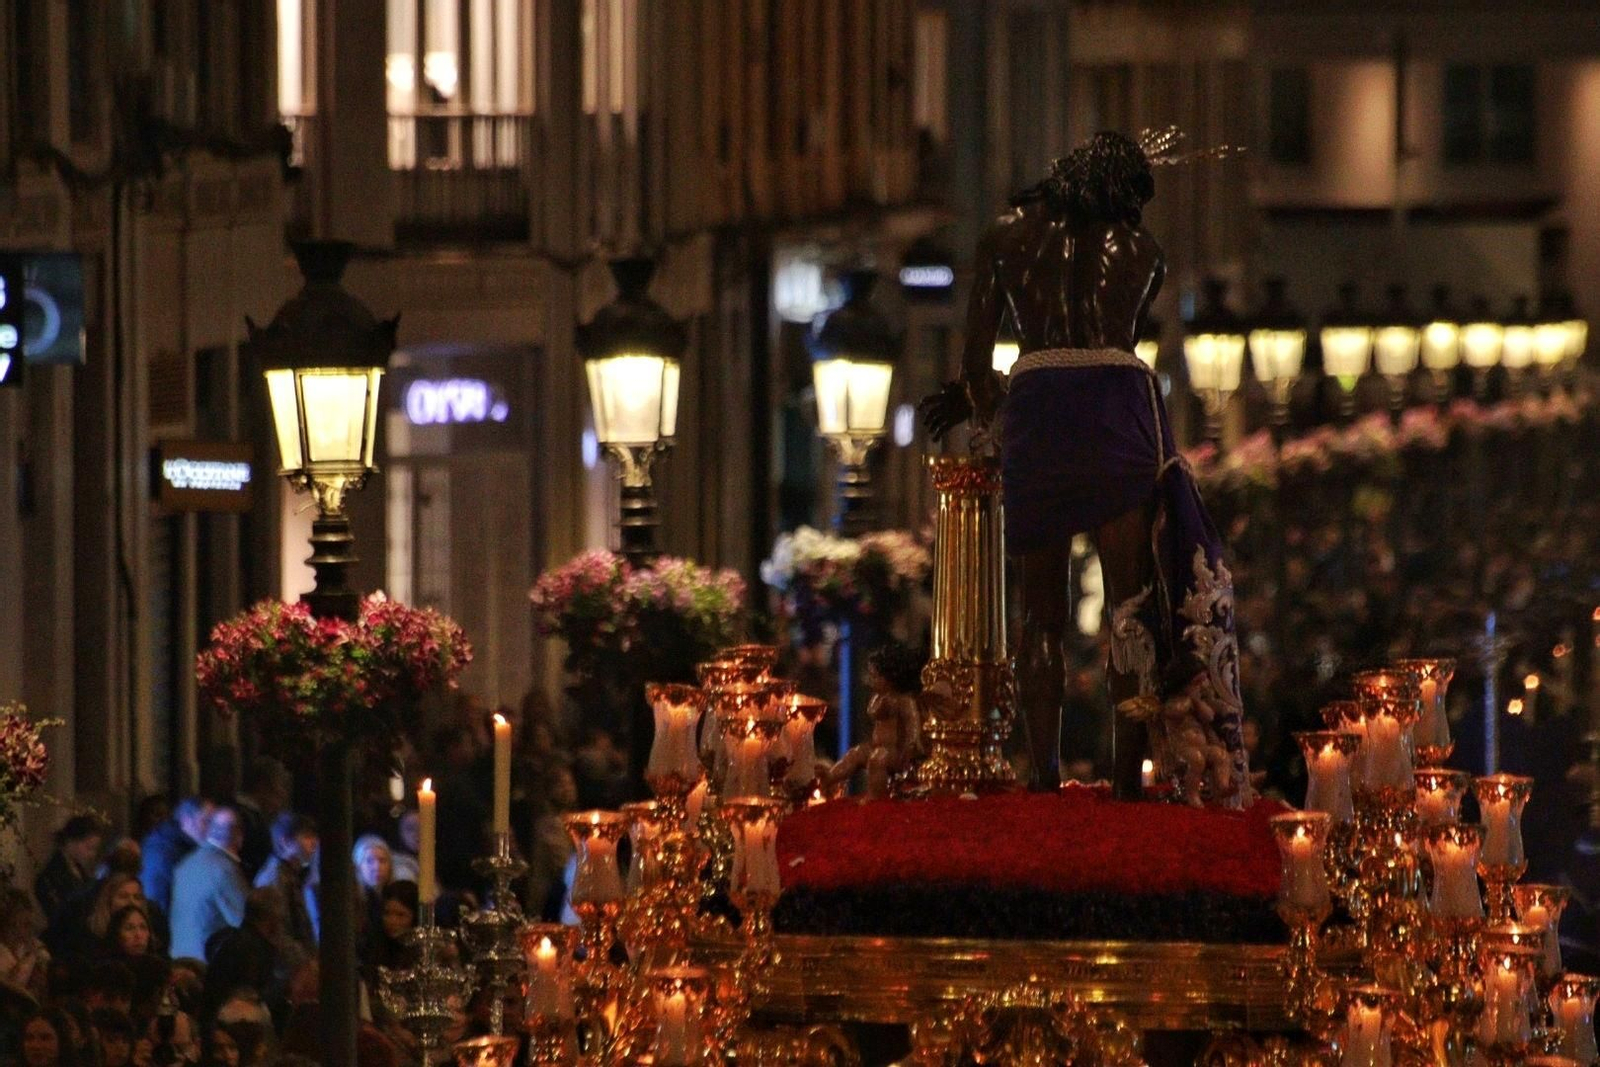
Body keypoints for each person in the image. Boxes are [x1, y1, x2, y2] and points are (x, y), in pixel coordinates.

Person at [921, 129, 1248, 806]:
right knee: (1129, 612)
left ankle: (1041, 776)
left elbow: (977, 368)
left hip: (1038, 414)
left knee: (1040, 615)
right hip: (1115, 411)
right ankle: (1127, 783)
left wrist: (990, 419)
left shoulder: (1005, 239)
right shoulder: (1142, 252)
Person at [825, 644, 926, 799]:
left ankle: (876, 796)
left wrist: (911, 745)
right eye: (870, 675)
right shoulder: (877, 697)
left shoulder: (902, 700)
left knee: (877, 760)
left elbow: (912, 724)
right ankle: (829, 777)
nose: (870, 680)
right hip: (878, 747)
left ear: (891, 678)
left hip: (896, 753)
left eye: (875, 676)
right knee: (855, 754)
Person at [169, 808, 248, 961]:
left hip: (179, 958)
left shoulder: (186, 864)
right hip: (209, 963)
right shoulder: (225, 869)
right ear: (239, 836)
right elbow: (245, 922)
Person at [202, 890, 288, 1029]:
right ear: (272, 919)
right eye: (281, 919)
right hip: (236, 1028)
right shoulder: (254, 952)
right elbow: (253, 996)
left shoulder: (231, 941)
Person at [36, 816, 105, 941]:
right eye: (89, 847)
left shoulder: (80, 871)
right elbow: (59, 914)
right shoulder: (49, 877)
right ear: (71, 841)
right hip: (66, 939)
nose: (92, 854)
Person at [142, 798, 213, 918]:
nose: (212, 829)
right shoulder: (167, 850)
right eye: (207, 821)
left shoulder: (175, 845)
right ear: (186, 819)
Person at [234, 758, 292, 880]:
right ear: (262, 786)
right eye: (280, 787)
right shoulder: (246, 819)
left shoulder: (253, 816)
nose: (283, 795)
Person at [0, 886, 49, 1003]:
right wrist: (31, 956)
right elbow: (10, 987)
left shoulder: (26, 947)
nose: (30, 930)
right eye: (25, 924)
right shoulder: (4, 952)